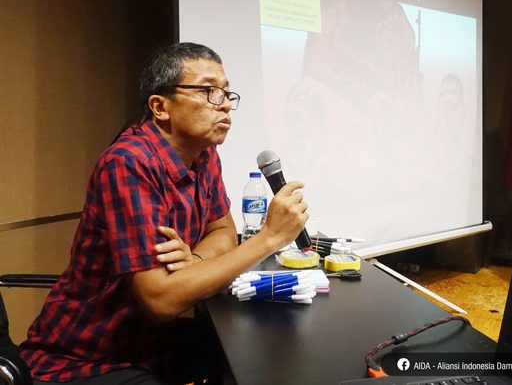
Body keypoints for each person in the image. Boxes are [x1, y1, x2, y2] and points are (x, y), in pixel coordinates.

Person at [20, 42, 309, 384]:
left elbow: (223, 232)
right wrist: (270, 237)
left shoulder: (203, 154)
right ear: (160, 106)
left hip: (151, 344)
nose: (224, 105)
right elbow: (160, 300)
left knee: (260, 353)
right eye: (208, 91)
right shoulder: (128, 163)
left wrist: (196, 261)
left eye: (226, 93)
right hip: (86, 356)